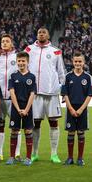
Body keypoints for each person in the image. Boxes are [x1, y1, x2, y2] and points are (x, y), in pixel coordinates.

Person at [26, 27, 66, 163]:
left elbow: (61, 72)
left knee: (54, 123)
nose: (41, 34)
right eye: (39, 32)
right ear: (36, 35)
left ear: (48, 35)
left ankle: (54, 154)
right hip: (35, 93)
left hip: (51, 93)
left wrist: (64, 91)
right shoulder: (29, 50)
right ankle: (34, 153)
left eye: (43, 32)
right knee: (35, 124)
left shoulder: (55, 51)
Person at [61, 53, 92, 166]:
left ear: (83, 63)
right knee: (70, 132)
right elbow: (64, 93)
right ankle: (70, 158)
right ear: (72, 62)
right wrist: (70, 108)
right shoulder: (68, 76)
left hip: (82, 109)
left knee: (81, 132)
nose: (78, 64)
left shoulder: (87, 77)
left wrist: (81, 109)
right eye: (76, 61)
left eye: (80, 61)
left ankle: (80, 158)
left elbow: (89, 95)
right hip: (71, 108)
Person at [0, 34, 20, 161]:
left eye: (7, 41)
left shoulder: (17, 57)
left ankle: (17, 153)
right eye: (2, 41)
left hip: (13, 97)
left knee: (16, 126)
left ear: (12, 44)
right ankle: (0, 152)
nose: (4, 43)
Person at [6, 52, 37, 166]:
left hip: (27, 107)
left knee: (28, 131)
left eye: (23, 61)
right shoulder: (13, 76)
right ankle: (11, 157)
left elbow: (32, 94)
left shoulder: (31, 77)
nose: (21, 63)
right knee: (14, 130)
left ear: (28, 62)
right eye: (19, 61)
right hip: (15, 107)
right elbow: (12, 92)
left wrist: (26, 109)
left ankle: (28, 158)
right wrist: (18, 108)